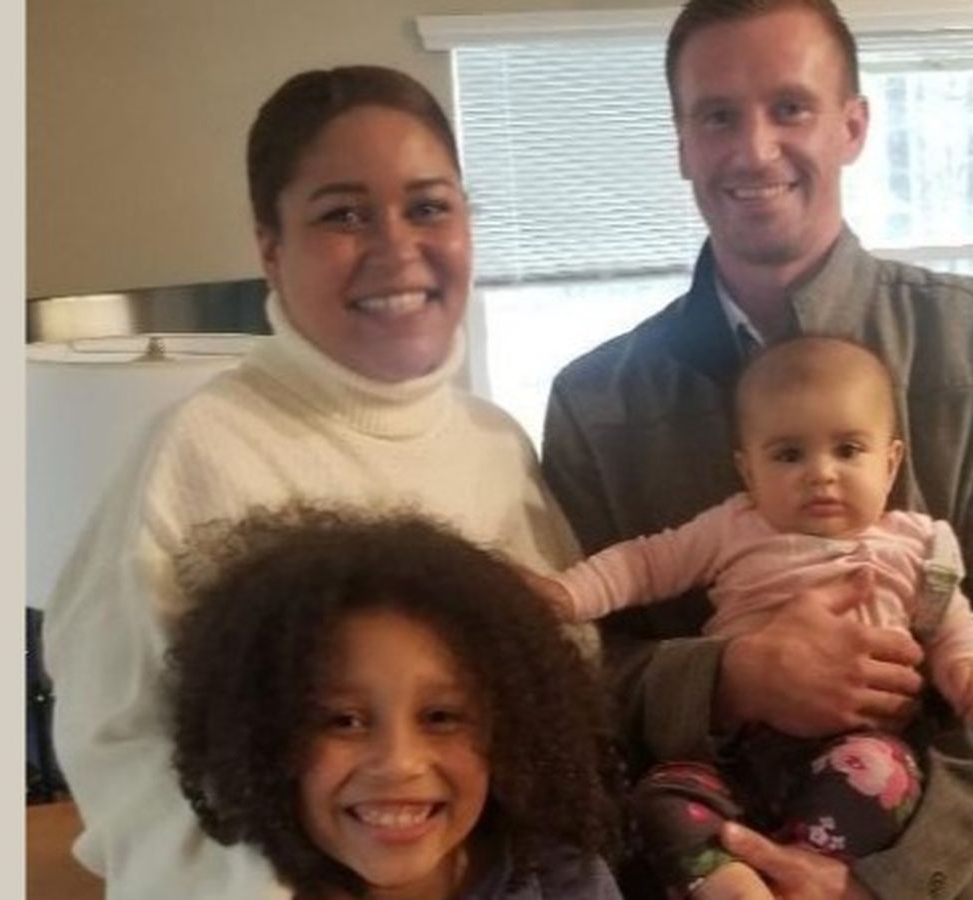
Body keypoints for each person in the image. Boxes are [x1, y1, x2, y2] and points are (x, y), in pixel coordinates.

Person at [541, 1, 973, 898]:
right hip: (711, 861)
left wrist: (879, 877)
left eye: (790, 108)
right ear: (682, 144)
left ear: (853, 126)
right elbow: (575, 673)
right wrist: (727, 677)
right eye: (717, 116)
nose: (754, 149)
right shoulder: (594, 402)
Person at [43, 65, 580, 900]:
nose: (397, 247)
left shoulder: (496, 445)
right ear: (271, 247)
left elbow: (556, 705)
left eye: (428, 207)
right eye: (344, 215)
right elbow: (125, 768)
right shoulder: (197, 452)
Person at [537, 337, 973, 899]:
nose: (821, 474)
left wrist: (969, 665)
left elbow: (953, 622)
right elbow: (641, 565)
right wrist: (566, 596)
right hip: (731, 755)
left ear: (890, 462)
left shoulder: (918, 546)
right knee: (660, 799)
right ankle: (729, 882)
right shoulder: (732, 527)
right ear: (748, 470)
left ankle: (799, 868)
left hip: (856, 752)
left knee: (887, 777)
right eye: (788, 455)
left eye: (848, 450)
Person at [166, 505, 623, 900]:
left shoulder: (564, 883)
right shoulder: (230, 886)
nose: (398, 763)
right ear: (263, 738)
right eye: (344, 721)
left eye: (441, 717)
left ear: (512, 731)